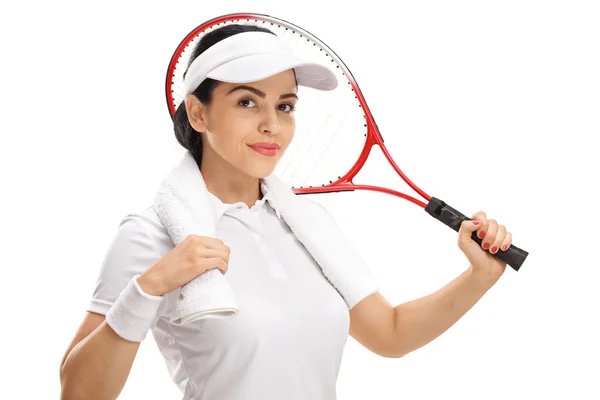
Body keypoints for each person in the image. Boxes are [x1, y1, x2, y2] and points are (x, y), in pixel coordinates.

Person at [59, 23, 513, 400]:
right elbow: (77, 393)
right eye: (246, 101)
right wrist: (148, 287)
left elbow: (390, 334)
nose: (272, 125)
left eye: (286, 105)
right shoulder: (150, 236)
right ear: (198, 113)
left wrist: (479, 278)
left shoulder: (309, 225)